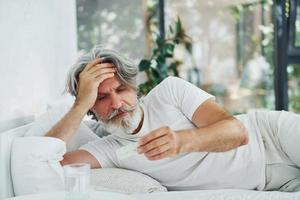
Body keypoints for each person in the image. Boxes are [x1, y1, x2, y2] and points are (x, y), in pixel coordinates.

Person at [46, 46, 300, 192]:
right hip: (268, 184)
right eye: (100, 98)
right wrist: (79, 105)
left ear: (134, 88)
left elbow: (237, 132)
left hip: (271, 138)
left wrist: (181, 141)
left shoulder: (169, 91)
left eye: (121, 89)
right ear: (92, 107)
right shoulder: (111, 151)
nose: (116, 102)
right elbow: (46, 163)